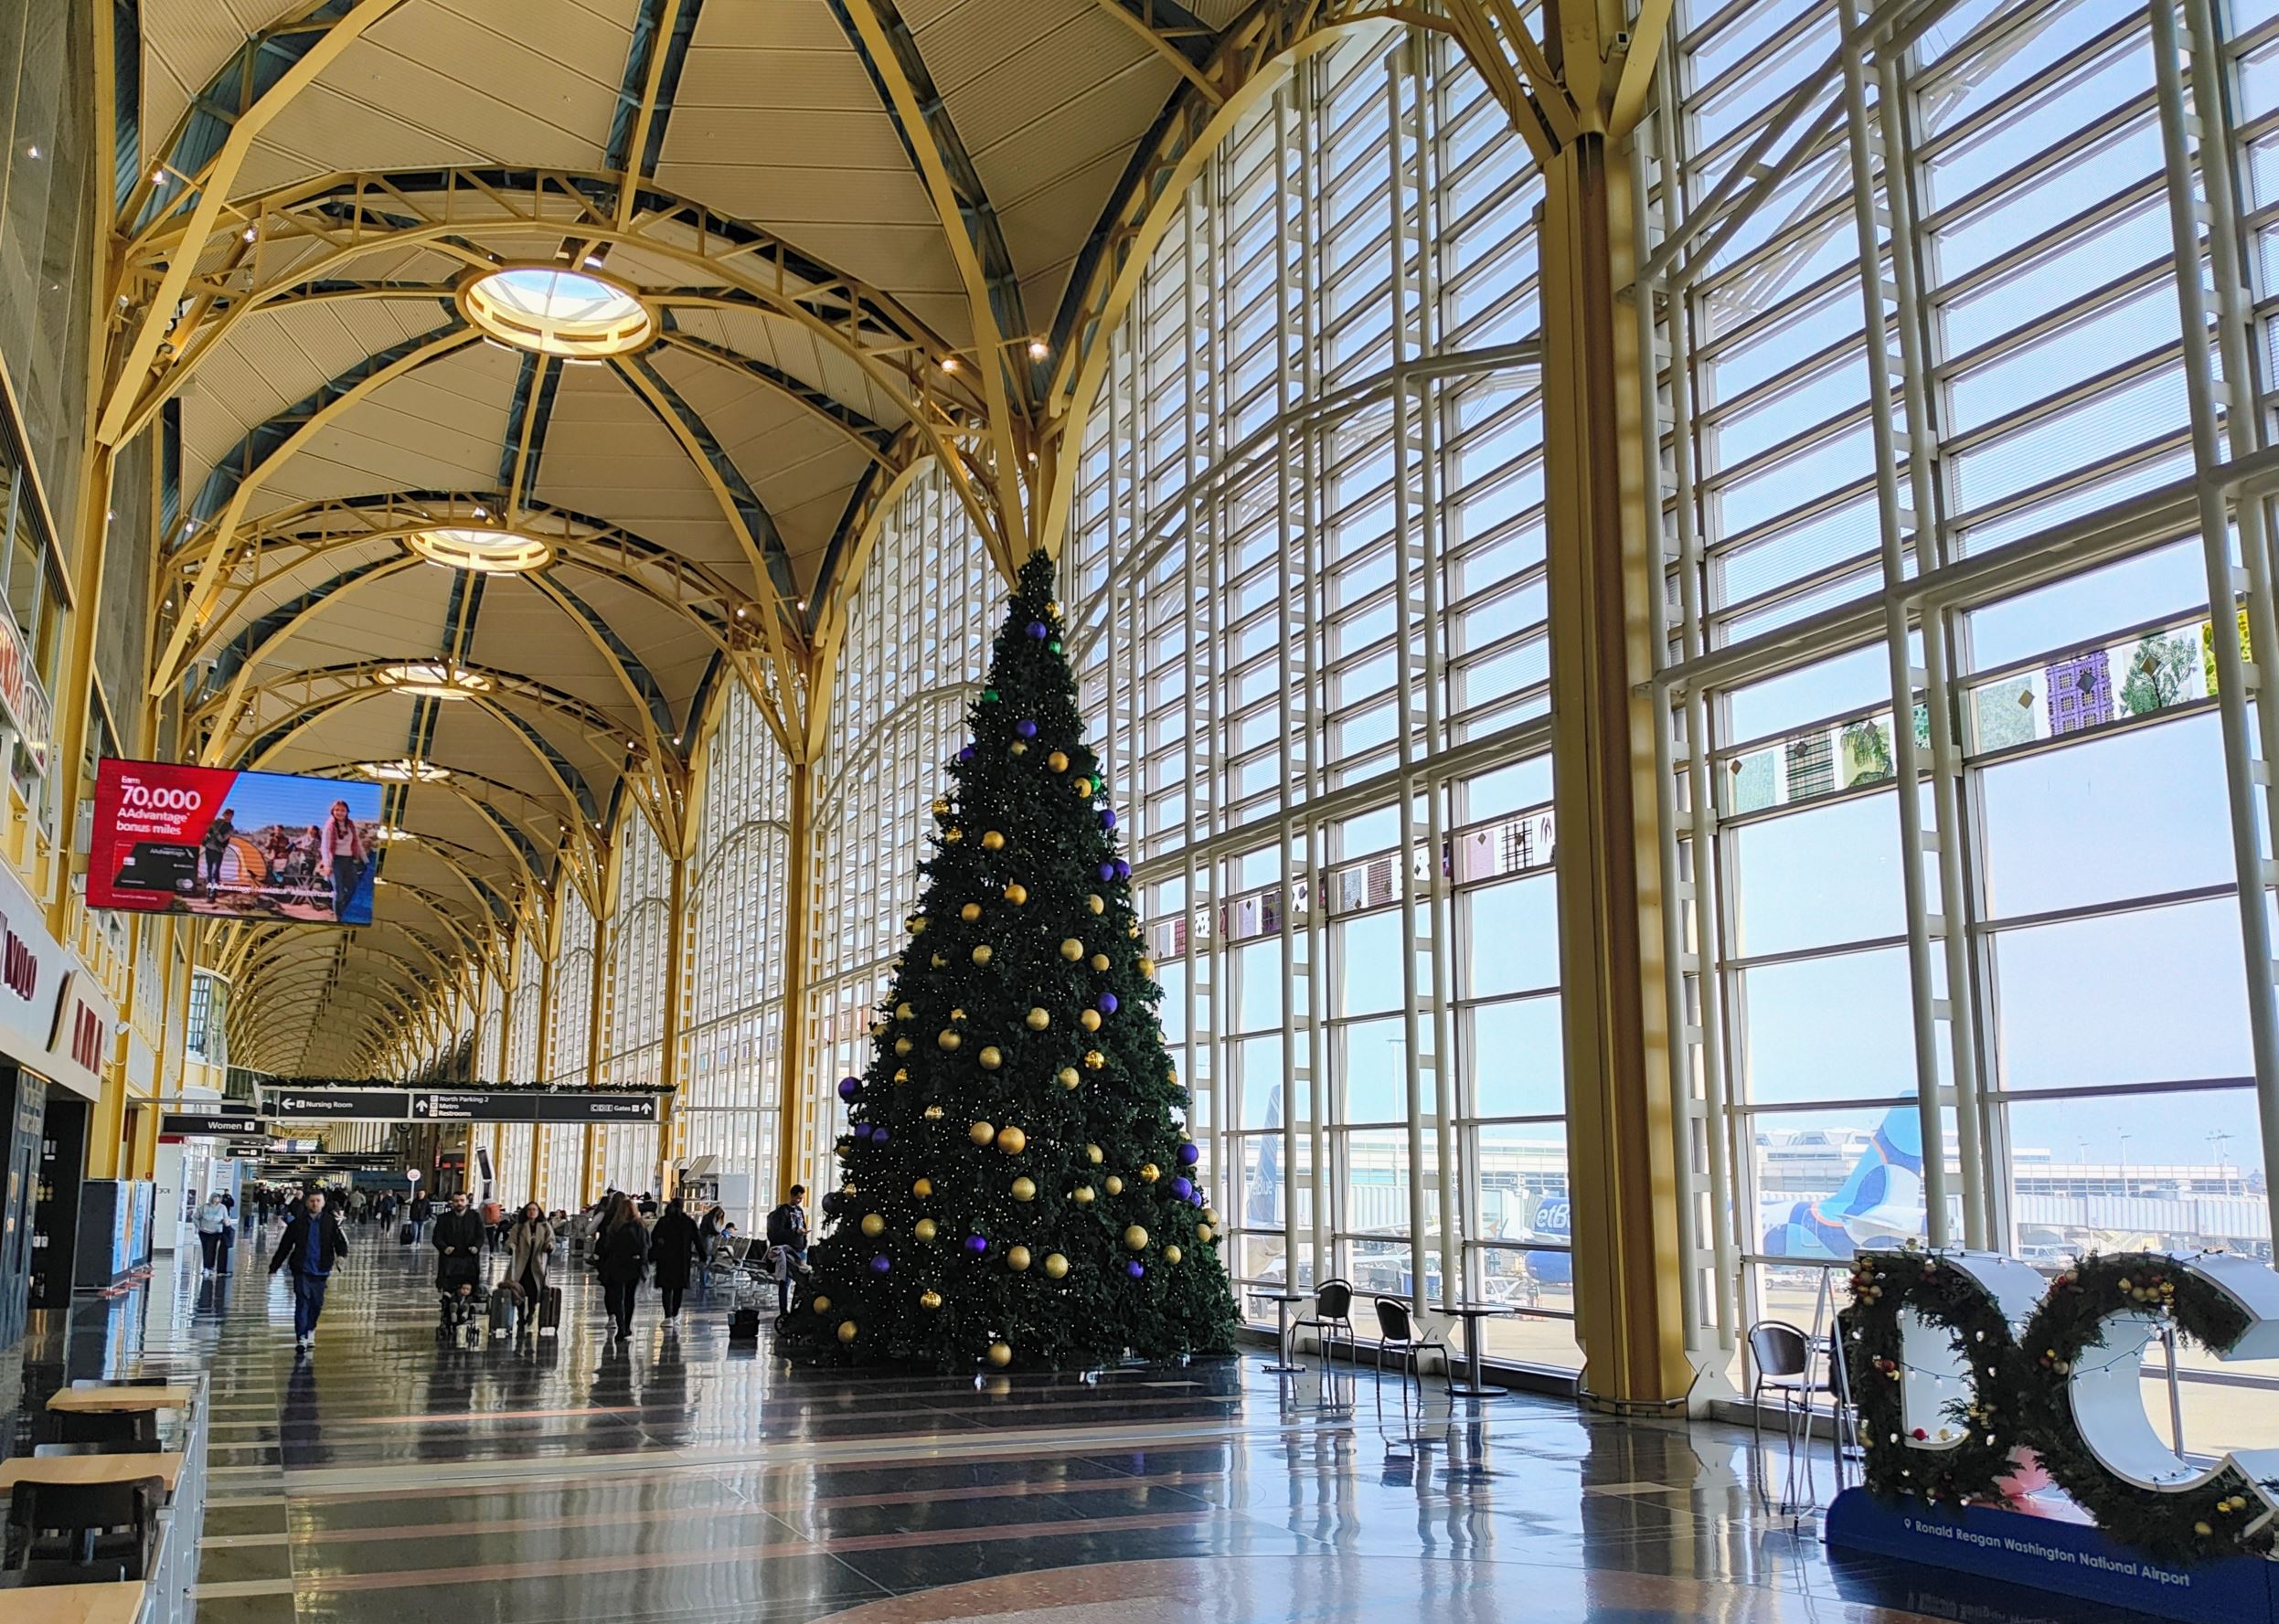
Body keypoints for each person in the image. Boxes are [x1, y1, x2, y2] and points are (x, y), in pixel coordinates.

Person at [268, 1190, 348, 1349]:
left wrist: (341, 1255)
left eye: (318, 1201)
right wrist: (273, 1268)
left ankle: (311, 1328)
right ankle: (301, 1336)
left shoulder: (329, 1222)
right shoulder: (297, 1223)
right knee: (302, 1301)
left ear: (323, 1203)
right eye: (312, 1201)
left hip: (321, 1269)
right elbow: (285, 1246)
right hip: (301, 1269)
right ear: (307, 1202)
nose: (315, 1204)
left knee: (316, 1304)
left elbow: (340, 1242)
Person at [593, 1193, 647, 1342]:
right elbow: (645, 1246)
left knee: (619, 1297)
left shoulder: (614, 1226)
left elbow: (607, 1246)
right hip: (634, 1266)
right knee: (630, 1298)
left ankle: (621, 1326)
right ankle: (627, 1327)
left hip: (617, 1265)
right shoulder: (640, 1226)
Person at [504, 1202, 555, 1336]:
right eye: (530, 1210)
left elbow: (551, 1240)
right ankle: (521, 1316)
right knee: (519, 1291)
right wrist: (511, 1246)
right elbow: (510, 1240)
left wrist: (549, 1245)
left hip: (536, 1264)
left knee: (534, 1292)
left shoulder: (545, 1227)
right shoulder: (519, 1227)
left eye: (534, 1210)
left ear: (539, 1212)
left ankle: (531, 1312)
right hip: (521, 1264)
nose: (532, 1212)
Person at [647, 1198, 700, 1324]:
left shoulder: (664, 1221)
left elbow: (654, 1238)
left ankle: (668, 1316)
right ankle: (675, 1313)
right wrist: (702, 1255)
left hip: (665, 1259)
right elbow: (697, 1239)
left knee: (666, 1289)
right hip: (682, 1260)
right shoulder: (688, 1222)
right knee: (678, 1288)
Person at [432, 1191, 485, 1312]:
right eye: (456, 1201)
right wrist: (444, 1248)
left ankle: (466, 1308)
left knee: (469, 1286)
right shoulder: (444, 1218)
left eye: (462, 1200)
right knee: (449, 1287)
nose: (459, 1203)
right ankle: (449, 1309)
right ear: (452, 1202)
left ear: (467, 1202)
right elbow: (437, 1238)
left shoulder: (475, 1217)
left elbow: (481, 1236)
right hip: (450, 1260)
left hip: (469, 1259)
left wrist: (476, 1247)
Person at [319, 799, 367, 922]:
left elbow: (357, 843)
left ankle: (342, 909)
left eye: (343, 810)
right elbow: (325, 846)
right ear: (333, 811)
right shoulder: (329, 826)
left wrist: (366, 860)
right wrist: (327, 865)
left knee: (354, 887)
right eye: (337, 810)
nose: (340, 813)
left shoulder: (350, 825)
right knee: (338, 891)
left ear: (347, 812)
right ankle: (338, 917)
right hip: (335, 861)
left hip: (349, 860)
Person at [764, 1185, 809, 1315]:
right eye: (798, 1198)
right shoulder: (782, 1212)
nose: (800, 1200)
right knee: (785, 1281)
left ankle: (795, 1308)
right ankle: (783, 1310)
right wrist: (795, 1232)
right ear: (793, 1195)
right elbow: (778, 1233)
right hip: (787, 1250)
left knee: (801, 1279)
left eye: (801, 1198)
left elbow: (803, 1226)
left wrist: (804, 1239)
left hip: (799, 1248)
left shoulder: (799, 1211)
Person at [201, 806, 236, 897]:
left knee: (214, 871)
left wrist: (216, 830)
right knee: (209, 871)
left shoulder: (230, 828)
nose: (226, 816)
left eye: (228, 815)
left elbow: (222, 839)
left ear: (231, 816)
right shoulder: (217, 821)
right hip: (209, 848)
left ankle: (213, 892)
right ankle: (209, 891)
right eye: (225, 814)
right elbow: (208, 830)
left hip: (218, 851)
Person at [695, 1205, 726, 1303]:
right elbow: (714, 1229)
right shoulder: (712, 1218)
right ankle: (705, 1282)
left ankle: (703, 1281)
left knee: (703, 1261)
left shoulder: (706, 1216)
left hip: (702, 1240)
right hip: (708, 1240)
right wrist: (719, 1233)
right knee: (706, 1261)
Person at [195, 1193, 231, 1273]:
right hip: (204, 1232)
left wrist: (226, 1222)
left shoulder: (222, 1208)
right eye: (215, 1198)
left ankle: (209, 1267)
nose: (216, 1200)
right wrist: (199, 1226)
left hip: (216, 1232)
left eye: (218, 1198)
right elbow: (196, 1217)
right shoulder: (204, 1207)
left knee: (211, 1249)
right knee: (205, 1249)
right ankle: (206, 1267)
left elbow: (226, 1218)